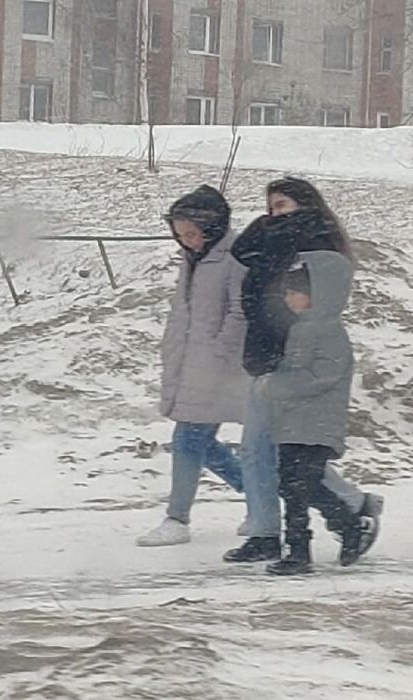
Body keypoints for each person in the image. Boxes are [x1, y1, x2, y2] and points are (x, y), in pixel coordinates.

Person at [224, 176, 381, 564]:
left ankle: (348, 510)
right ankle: (267, 532)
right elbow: (243, 257)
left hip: (297, 356)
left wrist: (278, 229)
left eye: (282, 205)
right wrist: (268, 224)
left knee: (286, 454)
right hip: (267, 352)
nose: (273, 214)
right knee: (258, 450)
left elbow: (311, 297)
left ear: (306, 206)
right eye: (270, 207)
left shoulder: (314, 242)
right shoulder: (270, 240)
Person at [138, 186, 249, 547]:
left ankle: (177, 518)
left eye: (190, 233)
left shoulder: (234, 257)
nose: (185, 242)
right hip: (192, 362)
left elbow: (239, 311)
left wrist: (219, 354)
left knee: (188, 440)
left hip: (218, 367)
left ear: (212, 226)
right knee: (201, 443)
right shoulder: (194, 259)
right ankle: (262, 495)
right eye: (179, 235)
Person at [259, 261, 368, 574]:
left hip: (319, 422)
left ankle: (346, 527)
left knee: (303, 484)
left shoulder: (331, 331)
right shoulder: (300, 329)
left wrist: (277, 385)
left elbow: (322, 376)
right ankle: (299, 549)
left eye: (295, 292)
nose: (289, 299)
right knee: (291, 485)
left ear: (315, 295)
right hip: (294, 421)